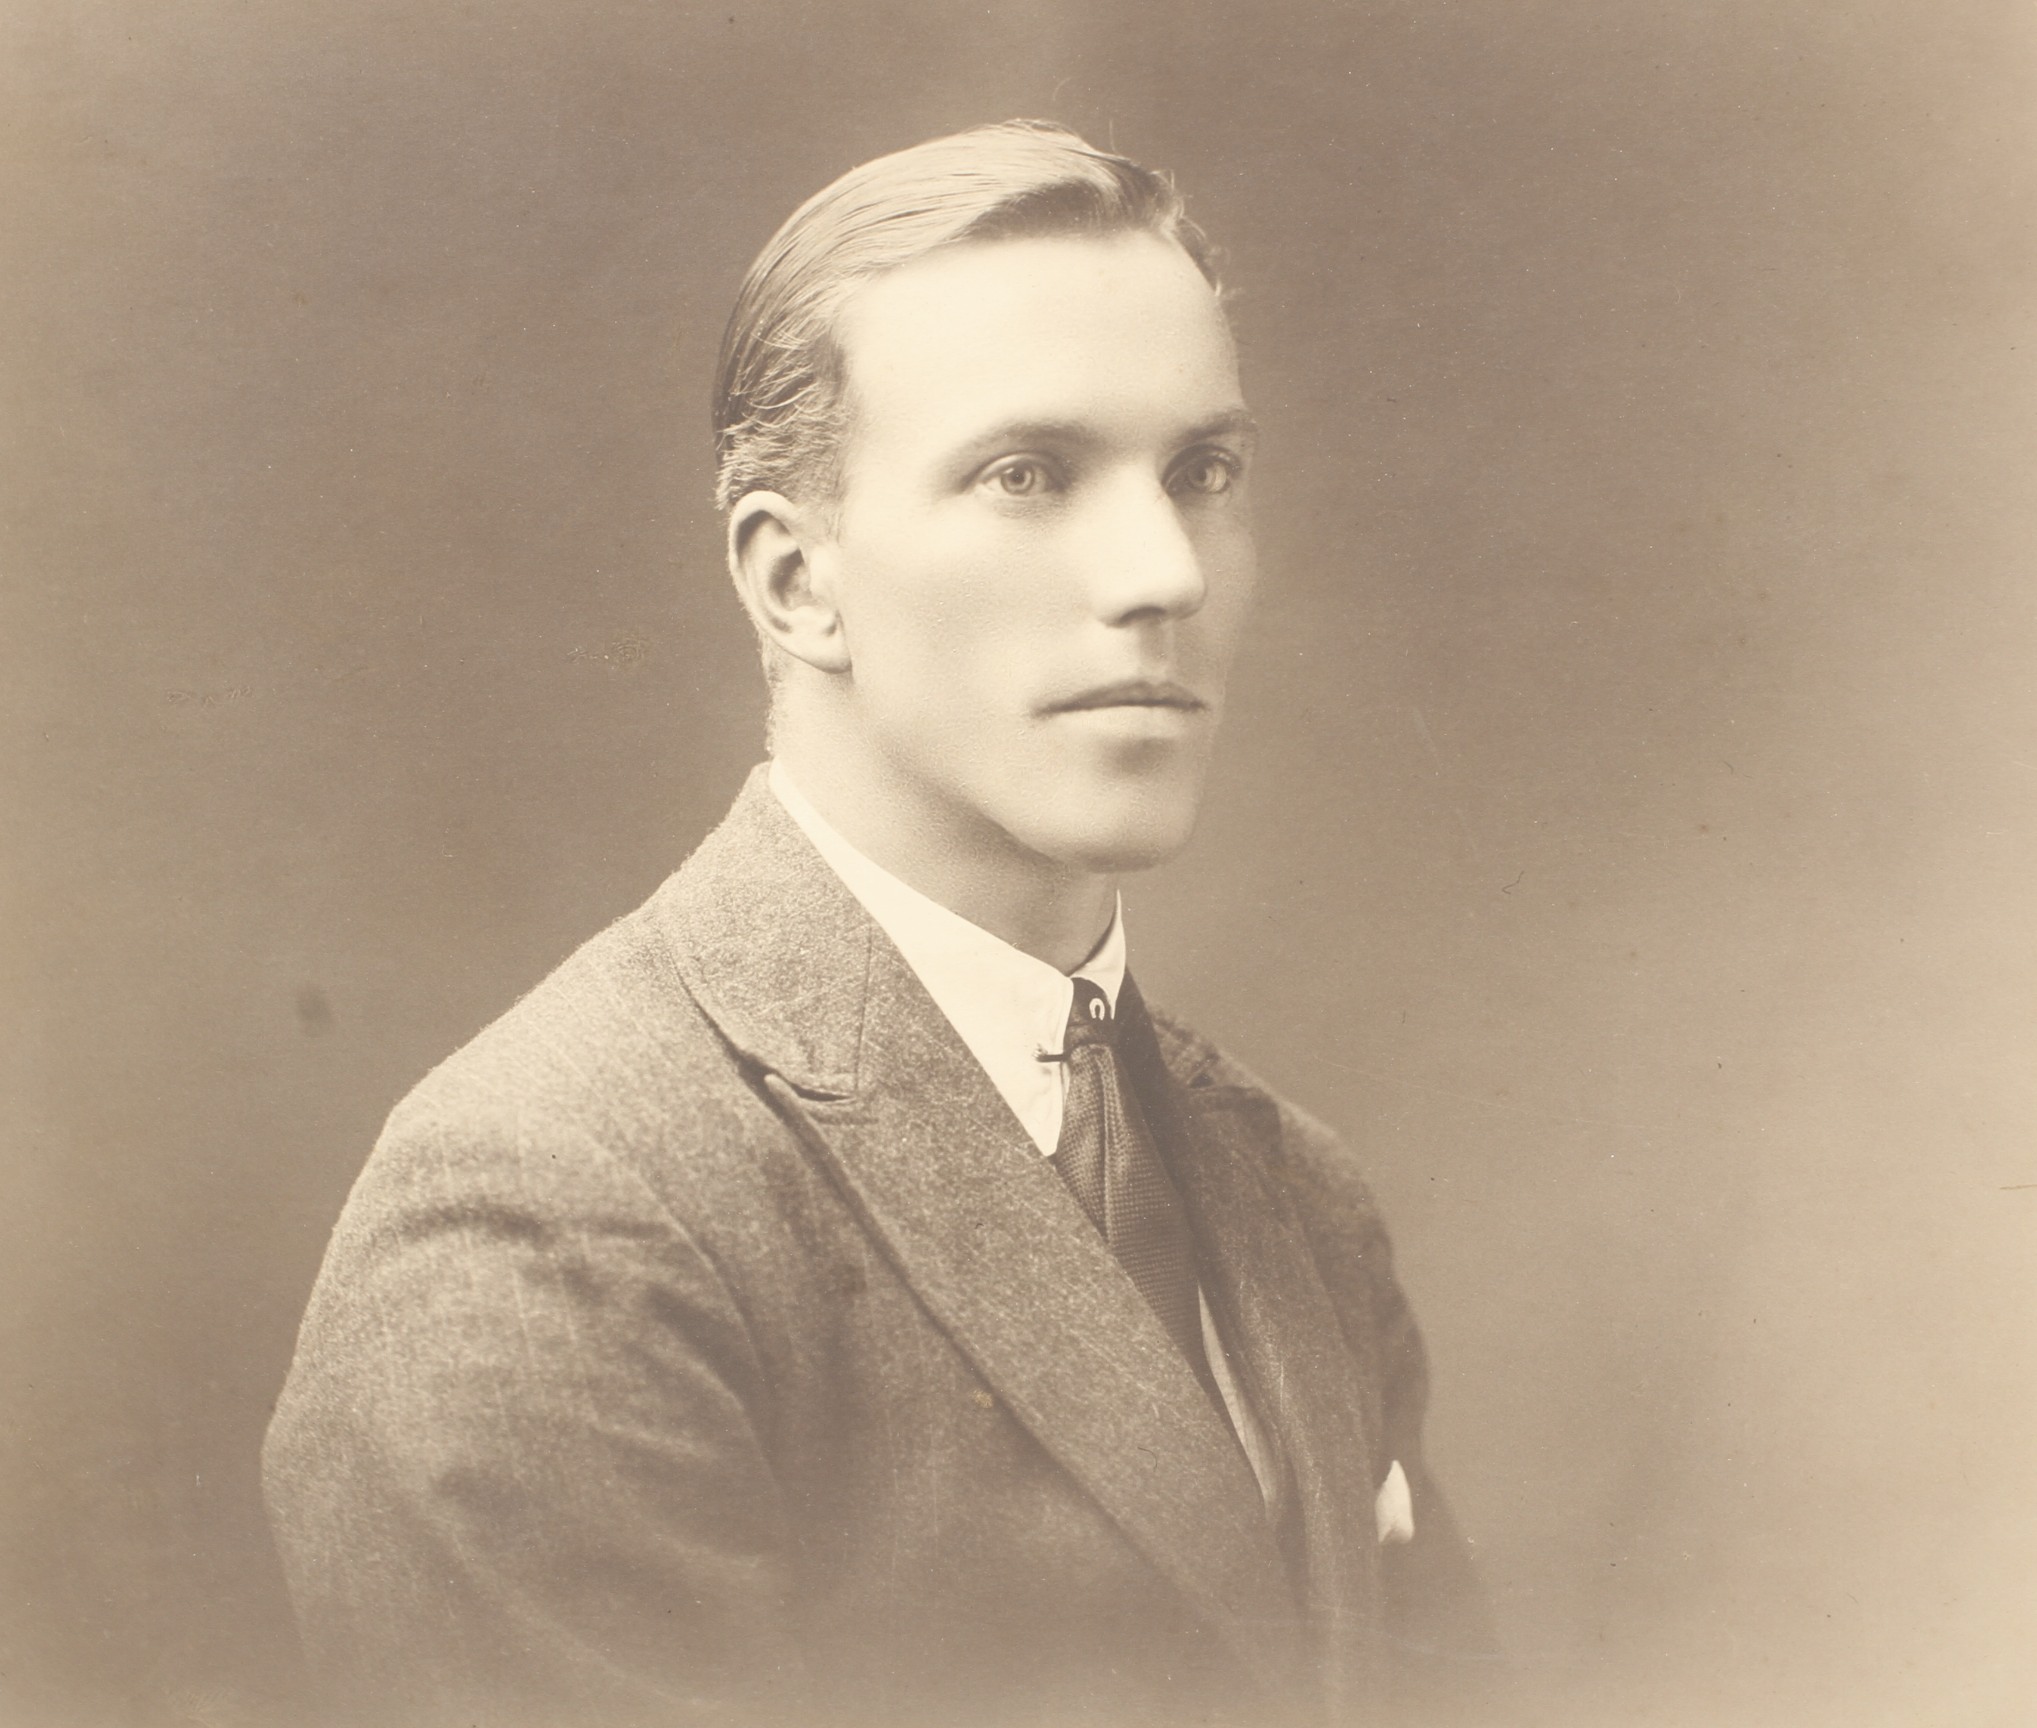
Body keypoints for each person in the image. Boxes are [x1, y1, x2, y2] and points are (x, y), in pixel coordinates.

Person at [262, 120, 1496, 1728]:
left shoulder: (1297, 1197)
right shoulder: (552, 1217)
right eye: (1026, 475)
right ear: (795, 583)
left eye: (1203, 473)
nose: (1162, 569)